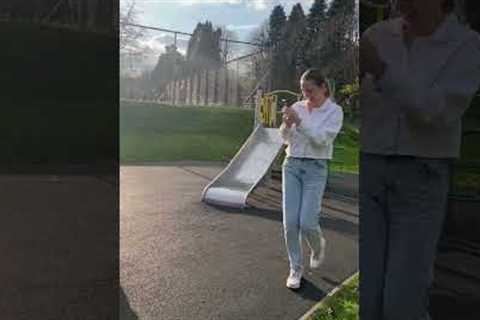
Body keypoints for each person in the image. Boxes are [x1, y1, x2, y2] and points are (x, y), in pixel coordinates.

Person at [359, 0, 480, 319]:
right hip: (369, 170)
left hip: (421, 178)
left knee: (402, 301)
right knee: (365, 298)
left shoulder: (467, 45)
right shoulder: (377, 35)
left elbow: (438, 112)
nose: (400, 6)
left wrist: (381, 70)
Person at [279, 68, 344, 289]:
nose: (306, 94)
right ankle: (295, 268)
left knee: (307, 223)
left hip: (316, 169)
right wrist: (286, 126)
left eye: (310, 90)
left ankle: (318, 247)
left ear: (323, 87)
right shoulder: (297, 108)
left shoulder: (334, 112)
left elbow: (321, 141)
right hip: (292, 165)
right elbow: (285, 139)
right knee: (290, 223)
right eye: (303, 90)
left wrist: (299, 122)